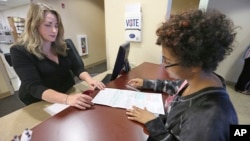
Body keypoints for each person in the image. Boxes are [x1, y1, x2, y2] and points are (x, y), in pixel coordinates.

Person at [126, 9, 238, 141]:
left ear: (194, 65)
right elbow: (176, 86)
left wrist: (153, 123)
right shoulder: (201, 79)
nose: (163, 65)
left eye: (167, 61)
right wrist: (146, 83)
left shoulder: (207, 121)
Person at [10, 3, 105, 109]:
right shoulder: (19, 51)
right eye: (48, 25)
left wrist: (90, 80)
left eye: (56, 25)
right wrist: (67, 99)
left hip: (66, 91)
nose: (54, 30)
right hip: (39, 100)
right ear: (34, 26)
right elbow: (35, 87)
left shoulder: (65, 44)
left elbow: (78, 68)